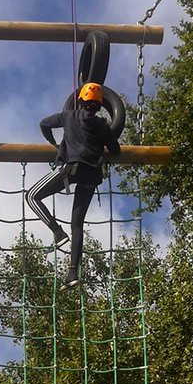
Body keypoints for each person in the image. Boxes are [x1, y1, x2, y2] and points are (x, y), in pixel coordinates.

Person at [25, 83, 121, 289]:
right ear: (99, 105)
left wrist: (54, 143)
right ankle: (72, 273)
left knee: (31, 196)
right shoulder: (103, 125)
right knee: (77, 224)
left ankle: (57, 232)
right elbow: (115, 150)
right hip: (92, 175)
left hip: (72, 169)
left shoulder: (69, 116)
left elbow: (44, 124)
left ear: (81, 101)